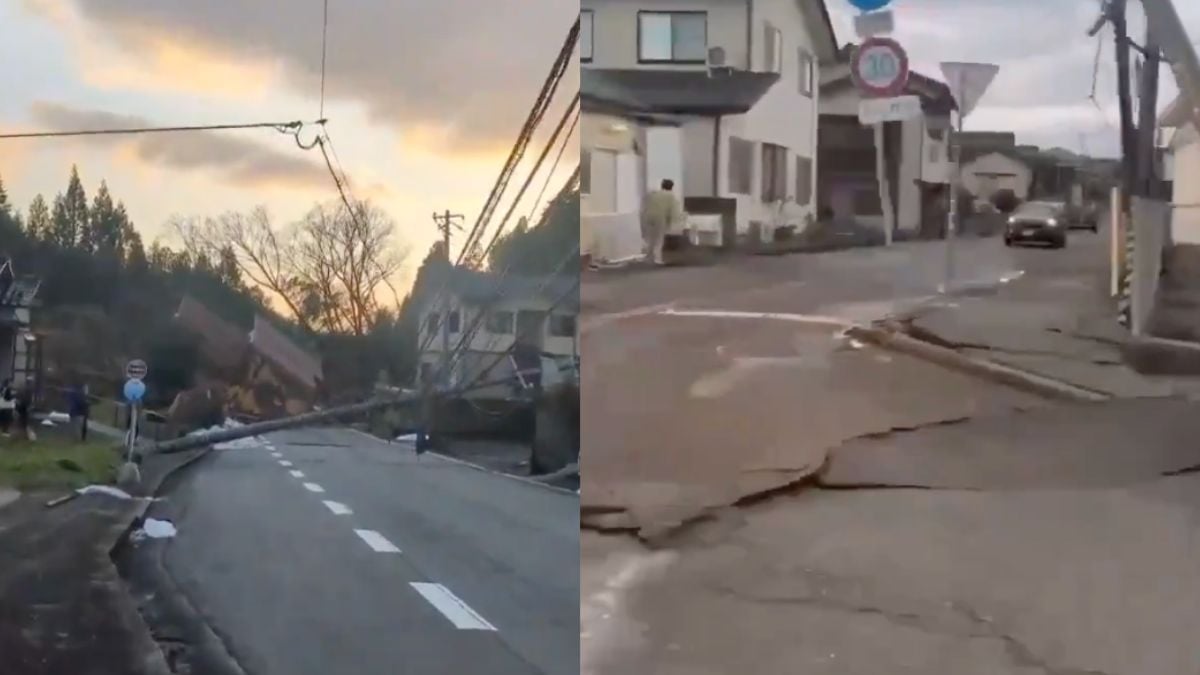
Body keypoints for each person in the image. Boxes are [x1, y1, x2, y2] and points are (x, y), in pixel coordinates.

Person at [640, 179, 686, 266]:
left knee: (650, 238)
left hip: (647, 216)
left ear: (662, 185)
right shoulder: (670, 196)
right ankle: (657, 259)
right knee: (659, 239)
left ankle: (648, 257)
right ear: (672, 187)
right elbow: (674, 211)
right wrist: (678, 221)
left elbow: (644, 204)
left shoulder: (653, 194)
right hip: (659, 218)